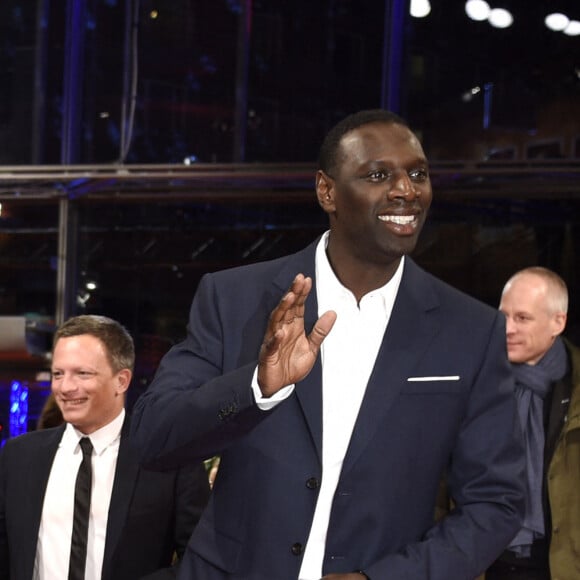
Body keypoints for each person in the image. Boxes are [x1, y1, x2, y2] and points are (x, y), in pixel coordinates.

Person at [130, 109, 525, 580]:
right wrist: (257, 386)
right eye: (378, 174)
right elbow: (154, 440)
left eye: (417, 173)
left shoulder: (471, 331)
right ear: (327, 191)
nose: (406, 190)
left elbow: (496, 503)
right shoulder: (235, 298)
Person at [0, 314, 211, 580]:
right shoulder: (18, 457)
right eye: (58, 374)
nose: (65, 387)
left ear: (121, 381)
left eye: (82, 373)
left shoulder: (168, 457)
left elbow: (201, 562)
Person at [487, 267, 579, 580]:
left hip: (563, 566)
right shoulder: (474, 381)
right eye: (504, 316)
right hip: (483, 562)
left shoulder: (575, 387)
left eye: (522, 318)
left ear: (558, 322)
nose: (507, 328)